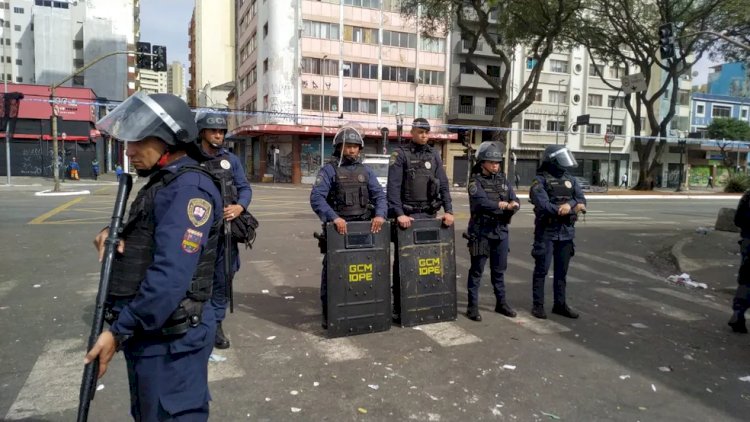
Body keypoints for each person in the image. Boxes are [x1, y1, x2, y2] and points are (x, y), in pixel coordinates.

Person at [85, 92, 223, 421]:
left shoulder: (189, 189)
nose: (129, 150)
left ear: (171, 141)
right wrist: (117, 234)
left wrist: (118, 332)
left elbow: (170, 278)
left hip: (173, 341)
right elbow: (152, 230)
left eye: (139, 140)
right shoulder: (166, 182)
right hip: (154, 336)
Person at [310, 126, 387, 328]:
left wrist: (380, 214)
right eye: (348, 147)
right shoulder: (329, 170)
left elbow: (379, 195)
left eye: (355, 147)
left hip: (363, 229)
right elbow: (317, 198)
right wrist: (334, 218)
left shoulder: (366, 171)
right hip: (338, 230)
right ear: (339, 148)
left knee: (363, 270)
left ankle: (360, 308)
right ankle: (329, 313)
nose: (351, 151)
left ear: (360, 149)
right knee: (333, 272)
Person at [195, 109, 253, 349]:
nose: (219, 135)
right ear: (202, 133)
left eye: (221, 131)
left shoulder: (231, 160)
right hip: (198, 231)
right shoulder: (190, 159)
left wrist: (239, 207)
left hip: (225, 232)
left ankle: (216, 324)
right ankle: (196, 322)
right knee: (196, 279)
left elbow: (245, 188)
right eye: (214, 131)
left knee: (223, 278)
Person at [529, 145, 587, 319]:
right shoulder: (540, 181)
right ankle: (538, 305)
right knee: (542, 270)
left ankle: (559, 304)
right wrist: (571, 208)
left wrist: (568, 205)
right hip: (547, 231)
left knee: (561, 273)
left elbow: (581, 199)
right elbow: (544, 205)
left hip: (566, 232)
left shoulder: (570, 179)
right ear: (552, 161)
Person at [464, 141, 520, 322]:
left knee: (499, 270)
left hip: (501, 232)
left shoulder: (503, 180)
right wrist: (500, 205)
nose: (496, 165)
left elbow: (514, 197)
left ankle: (501, 303)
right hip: (482, 232)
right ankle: (472, 307)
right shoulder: (475, 182)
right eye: (492, 162)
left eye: (497, 162)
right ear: (483, 163)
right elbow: (481, 202)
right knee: (477, 271)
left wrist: (515, 205)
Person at [387, 117, 453, 228]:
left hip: (430, 214)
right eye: (420, 132)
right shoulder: (400, 154)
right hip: (407, 216)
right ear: (412, 132)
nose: (424, 135)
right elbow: (393, 187)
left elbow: (443, 184)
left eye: (427, 132)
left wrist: (449, 210)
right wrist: (400, 214)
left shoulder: (433, 154)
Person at [730, 190, 750, 333]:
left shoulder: (748, 195)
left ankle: (738, 312)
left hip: (748, 241)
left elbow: (738, 220)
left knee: (746, 278)